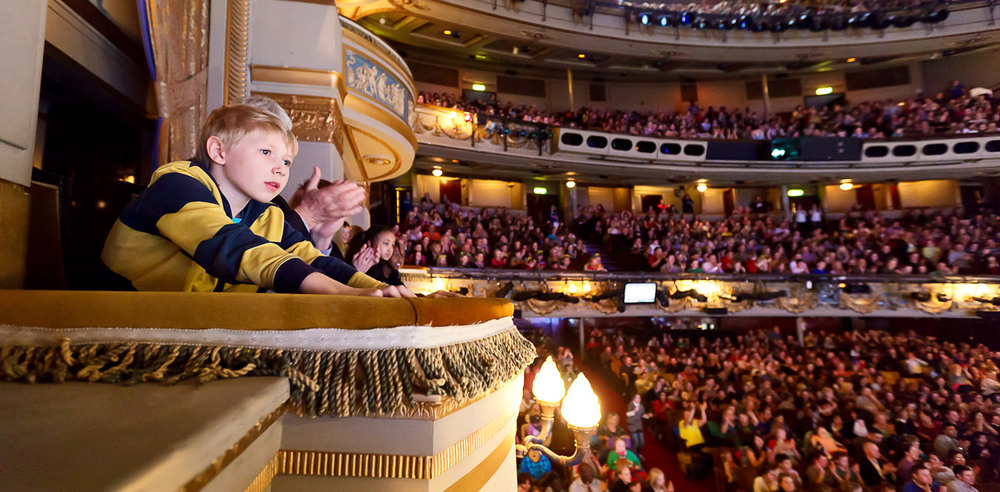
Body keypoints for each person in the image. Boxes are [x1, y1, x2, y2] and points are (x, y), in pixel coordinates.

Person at [101, 103, 401, 297]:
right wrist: (337, 293)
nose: (280, 169)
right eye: (266, 153)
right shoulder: (178, 184)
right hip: (112, 318)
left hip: (195, 326)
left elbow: (311, 258)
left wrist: (385, 291)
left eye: (286, 161)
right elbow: (231, 245)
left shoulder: (267, 214)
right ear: (219, 151)